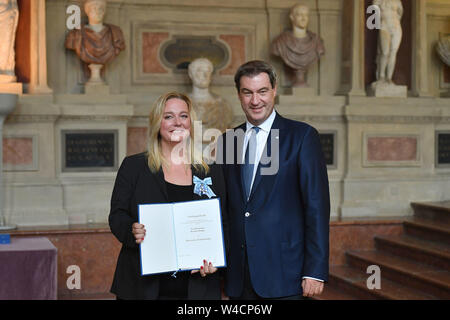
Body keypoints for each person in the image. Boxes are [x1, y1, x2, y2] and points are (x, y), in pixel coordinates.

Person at [216, 60, 330, 299]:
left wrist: (315, 270)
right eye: (247, 92)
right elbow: (222, 207)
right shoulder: (228, 141)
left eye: (262, 91)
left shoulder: (302, 136)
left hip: (285, 274)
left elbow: (316, 207)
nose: (255, 100)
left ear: (274, 90)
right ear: (239, 95)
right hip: (239, 276)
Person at [109, 92, 227, 300]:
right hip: (142, 287)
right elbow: (117, 216)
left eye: (183, 116)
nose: (177, 122)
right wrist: (131, 230)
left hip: (197, 288)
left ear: (191, 123)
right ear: (157, 122)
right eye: (168, 116)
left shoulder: (210, 171)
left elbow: (223, 223)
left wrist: (215, 261)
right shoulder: (134, 167)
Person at [65, 0, 125, 82]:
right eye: (94, 9)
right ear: (87, 12)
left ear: (104, 12)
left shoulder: (115, 33)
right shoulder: (76, 34)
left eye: (100, 9)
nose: (97, 12)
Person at [271, 3, 325, 87]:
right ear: (292, 17)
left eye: (306, 15)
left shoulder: (317, 42)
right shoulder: (280, 42)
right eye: (300, 15)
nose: (304, 18)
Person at [188, 57, 233, 134]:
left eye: (207, 71)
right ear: (191, 74)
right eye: (200, 71)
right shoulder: (182, 102)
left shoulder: (222, 105)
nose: (205, 75)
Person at [373, 0, 403, 84]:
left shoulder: (397, 2)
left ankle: (389, 77)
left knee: (393, 52)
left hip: (396, 27)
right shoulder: (378, 1)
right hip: (384, 26)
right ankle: (381, 76)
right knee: (385, 52)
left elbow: (400, 14)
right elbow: (374, 11)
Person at [0, 0, 19, 83]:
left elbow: (14, 3)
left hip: (7, 15)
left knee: (6, 46)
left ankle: (4, 69)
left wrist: (14, 11)